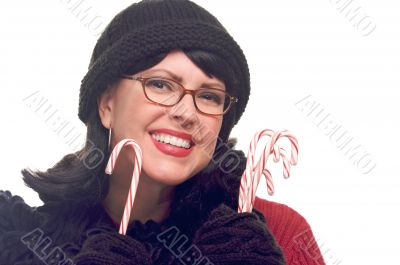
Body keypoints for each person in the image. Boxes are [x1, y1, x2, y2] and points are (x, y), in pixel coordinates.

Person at [0, 0, 325, 264]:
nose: (186, 113)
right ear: (106, 104)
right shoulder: (27, 242)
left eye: (209, 96)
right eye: (160, 84)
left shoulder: (276, 235)